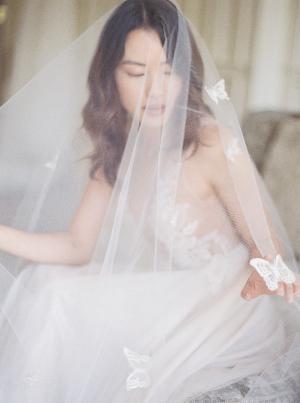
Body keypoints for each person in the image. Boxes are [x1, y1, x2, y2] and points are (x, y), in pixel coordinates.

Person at [0, 0, 299, 401]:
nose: (155, 90)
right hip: (172, 291)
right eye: (137, 73)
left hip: (226, 305)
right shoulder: (117, 146)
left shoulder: (211, 143)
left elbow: (267, 243)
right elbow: (75, 246)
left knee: (59, 298)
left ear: (186, 76)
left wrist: (269, 268)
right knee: (44, 281)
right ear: (110, 75)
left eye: (168, 72)